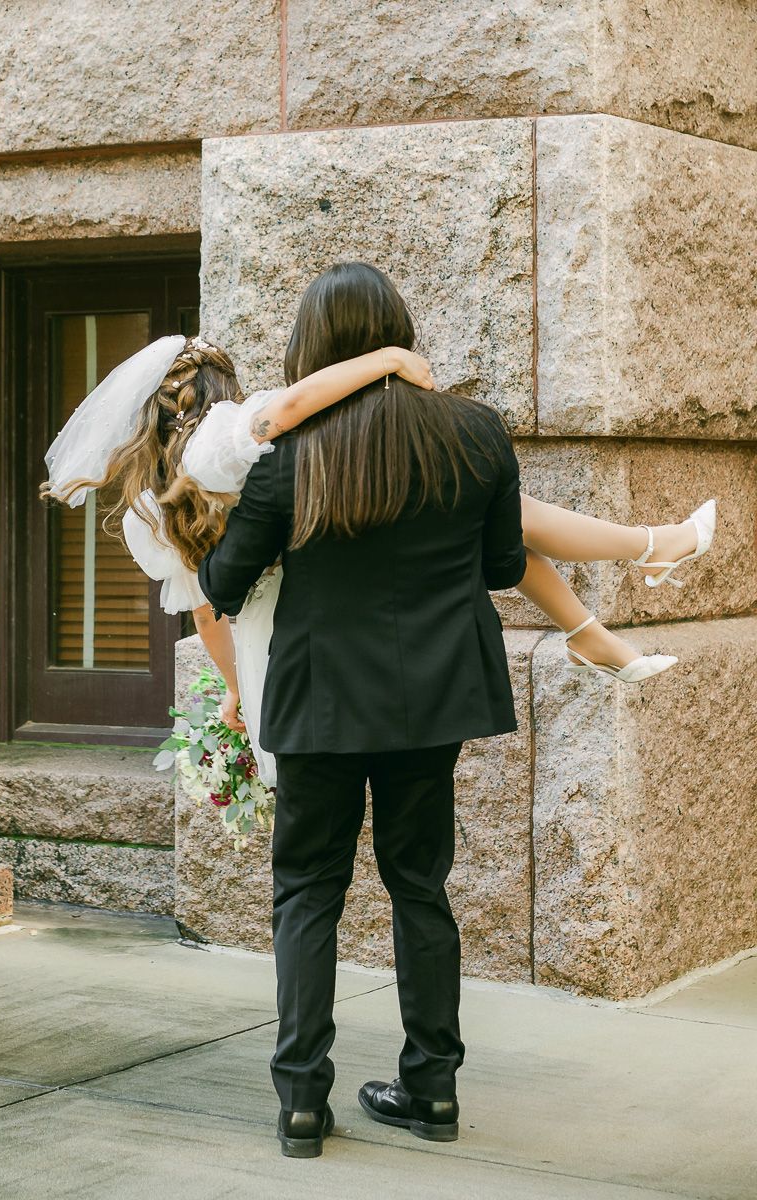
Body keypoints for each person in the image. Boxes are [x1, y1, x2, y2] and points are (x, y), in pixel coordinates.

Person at [195, 262, 715, 1158]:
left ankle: (302, 1104)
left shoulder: (291, 456)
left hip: (319, 704)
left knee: (307, 894)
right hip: (430, 703)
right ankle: (433, 1090)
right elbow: (505, 563)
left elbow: (223, 584)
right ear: (399, 330)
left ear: (313, 347)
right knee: (420, 888)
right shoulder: (475, 433)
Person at [42, 324, 714, 788]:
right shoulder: (222, 435)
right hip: (337, 608)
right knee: (496, 514)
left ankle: (609, 602)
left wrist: (240, 690)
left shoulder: (154, 504)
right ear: (217, 390)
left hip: (283, 638)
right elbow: (292, 405)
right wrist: (387, 358)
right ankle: (643, 553)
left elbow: (207, 609)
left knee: (312, 862)